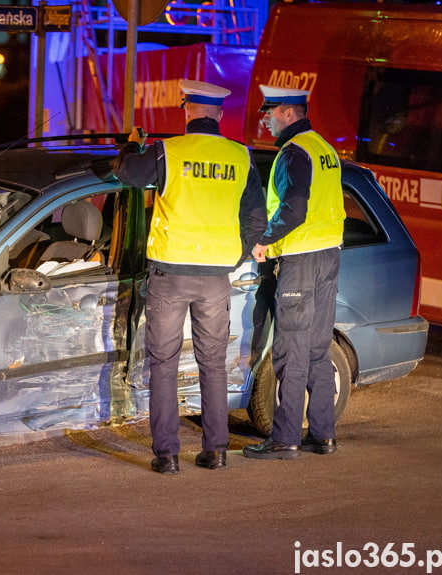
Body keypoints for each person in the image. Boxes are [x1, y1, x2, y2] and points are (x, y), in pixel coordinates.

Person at [114, 79, 267, 474]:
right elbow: (255, 217)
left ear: (187, 111)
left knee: (163, 364)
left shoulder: (169, 151)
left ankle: (166, 455)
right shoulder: (240, 156)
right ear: (218, 114)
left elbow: (128, 174)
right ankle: (215, 450)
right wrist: (233, 257)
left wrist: (133, 144)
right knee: (213, 363)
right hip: (217, 276)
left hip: (171, 273)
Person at [242, 85, 346, 460]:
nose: (265, 120)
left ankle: (285, 439)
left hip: (301, 260)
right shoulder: (324, 148)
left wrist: (264, 241)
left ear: (288, 112)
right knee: (318, 349)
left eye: (268, 113)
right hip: (329, 257)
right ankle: (323, 435)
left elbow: (295, 208)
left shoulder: (293, 152)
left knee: (290, 351)